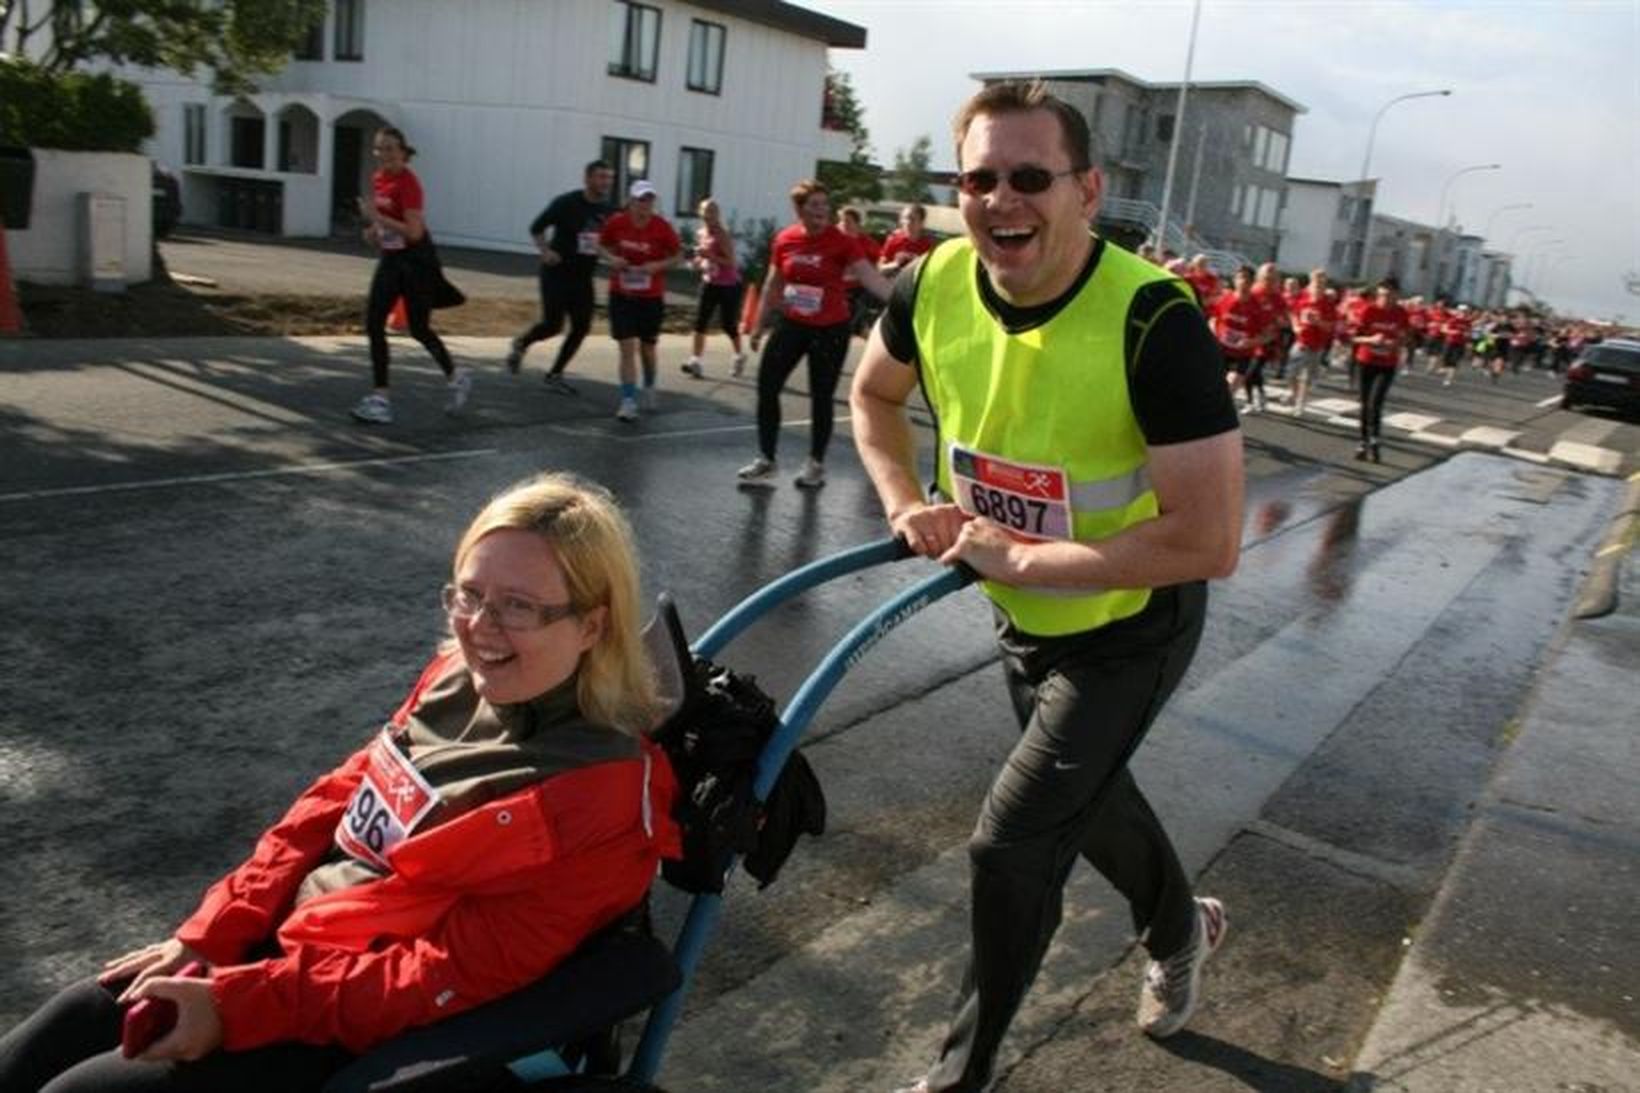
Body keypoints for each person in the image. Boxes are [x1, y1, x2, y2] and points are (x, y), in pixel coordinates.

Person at [0, 472, 680, 1093]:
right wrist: (213, 932)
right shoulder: (455, 679)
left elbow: (434, 976)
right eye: (468, 594)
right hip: (287, 951)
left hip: (351, 1023)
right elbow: (335, 802)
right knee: (67, 1020)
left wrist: (236, 1006)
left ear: (592, 623)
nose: (478, 626)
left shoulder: (603, 801)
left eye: (518, 606)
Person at [849, 80, 1242, 1093]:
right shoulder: (931, 281)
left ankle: (957, 1077)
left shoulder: (1152, 319)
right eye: (977, 177)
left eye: (1029, 176)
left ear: (1085, 190)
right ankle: (1179, 924)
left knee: (1010, 844)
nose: (999, 198)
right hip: (1025, 620)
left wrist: (1019, 558)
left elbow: (1207, 538)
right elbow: (872, 396)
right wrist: (905, 500)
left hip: (1130, 624)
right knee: (1088, 796)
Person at [739, 179, 892, 489]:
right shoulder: (785, 240)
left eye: (825, 204)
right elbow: (773, 284)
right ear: (800, 209)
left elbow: (870, 278)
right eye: (815, 205)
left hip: (830, 329)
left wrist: (906, 301)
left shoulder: (842, 242)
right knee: (767, 386)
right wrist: (759, 325)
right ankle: (767, 460)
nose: (822, 211)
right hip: (793, 324)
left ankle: (815, 464)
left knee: (820, 397)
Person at [351, 127, 471, 425]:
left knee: (419, 329)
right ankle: (381, 398)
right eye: (380, 149)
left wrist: (378, 219)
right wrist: (373, 232)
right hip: (392, 260)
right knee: (373, 323)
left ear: (403, 152)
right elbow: (387, 228)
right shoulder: (378, 179)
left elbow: (414, 233)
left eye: (391, 148)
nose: (385, 154)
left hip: (417, 262)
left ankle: (456, 376)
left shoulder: (409, 183)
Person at [506, 160, 616, 394]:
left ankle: (555, 374)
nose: (605, 182)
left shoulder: (609, 211)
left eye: (609, 178)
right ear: (587, 179)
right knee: (552, 325)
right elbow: (536, 227)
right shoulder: (566, 203)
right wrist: (545, 251)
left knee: (581, 327)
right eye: (601, 177)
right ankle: (521, 344)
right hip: (556, 273)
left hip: (583, 277)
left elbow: (613, 240)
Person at [598, 180, 681, 422]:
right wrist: (612, 259)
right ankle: (628, 401)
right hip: (622, 294)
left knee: (647, 348)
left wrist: (658, 265)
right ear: (631, 202)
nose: (645, 205)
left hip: (651, 296)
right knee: (626, 347)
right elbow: (601, 246)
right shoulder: (617, 223)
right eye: (640, 200)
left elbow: (678, 255)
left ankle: (650, 386)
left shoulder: (662, 227)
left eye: (649, 200)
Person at [681, 197, 747, 380]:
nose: (708, 214)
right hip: (709, 282)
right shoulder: (702, 232)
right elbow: (702, 258)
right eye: (705, 211)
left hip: (729, 285)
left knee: (728, 325)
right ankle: (695, 361)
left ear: (717, 214)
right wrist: (695, 261)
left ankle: (739, 356)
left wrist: (710, 255)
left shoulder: (722, 234)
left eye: (712, 211)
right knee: (700, 322)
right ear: (700, 213)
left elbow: (731, 262)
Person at [1350, 276, 1411, 462]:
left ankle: (1375, 440)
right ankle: (1363, 441)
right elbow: (1354, 337)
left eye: (1389, 296)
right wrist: (1371, 340)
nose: (1384, 299)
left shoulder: (1401, 313)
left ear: (1396, 296)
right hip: (1366, 361)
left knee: (1375, 403)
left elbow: (1406, 338)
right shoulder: (1368, 310)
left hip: (1387, 364)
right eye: (1381, 295)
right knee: (1364, 403)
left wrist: (1395, 342)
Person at [1211, 264, 1276, 412]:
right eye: (1240, 278)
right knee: (1214, 385)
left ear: (1252, 282)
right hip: (1221, 349)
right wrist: (1214, 333)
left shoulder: (1258, 306)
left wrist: (1252, 342)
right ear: (1235, 280)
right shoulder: (1225, 299)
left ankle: (1218, 413)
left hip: (1243, 354)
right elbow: (1213, 319)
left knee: (1231, 385)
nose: (1243, 282)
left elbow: (1269, 334)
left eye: (1247, 279)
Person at [1288, 268, 1337, 416]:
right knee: (1291, 374)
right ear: (1311, 282)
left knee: (1306, 377)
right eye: (1316, 281)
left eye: (1321, 282)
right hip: (1300, 341)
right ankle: (1296, 396)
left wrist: (1318, 321)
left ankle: (1300, 404)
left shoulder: (1328, 304)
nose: (1318, 285)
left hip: (1316, 345)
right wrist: (1295, 326)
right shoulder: (1302, 298)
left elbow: (1330, 326)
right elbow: (1293, 313)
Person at [838, 206, 884, 337]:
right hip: (836, 288)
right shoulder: (835, 242)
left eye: (847, 221)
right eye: (840, 220)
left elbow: (878, 264)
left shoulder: (868, 243)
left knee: (857, 312)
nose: (842, 224)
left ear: (857, 224)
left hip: (859, 289)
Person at [878, 203, 936, 277]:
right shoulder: (893, 240)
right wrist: (896, 264)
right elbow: (880, 269)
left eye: (912, 219)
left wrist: (917, 261)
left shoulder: (929, 244)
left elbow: (933, 271)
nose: (908, 223)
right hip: (894, 284)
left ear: (922, 223)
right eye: (905, 218)